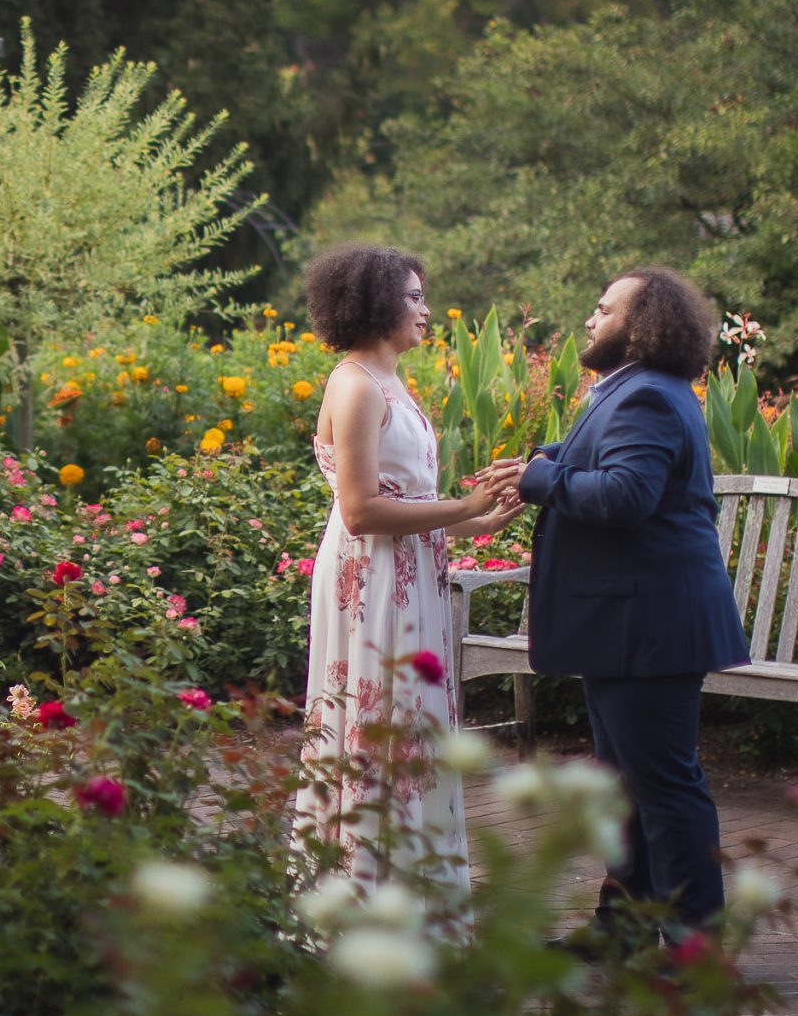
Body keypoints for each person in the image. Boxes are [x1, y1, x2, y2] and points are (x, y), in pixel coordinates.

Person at [515, 266, 750, 949]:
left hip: (650, 626)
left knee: (667, 793)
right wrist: (549, 457)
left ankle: (694, 948)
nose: (590, 320)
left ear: (641, 326)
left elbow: (624, 496)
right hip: (630, 624)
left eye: (603, 309)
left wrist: (543, 478)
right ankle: (621, 927)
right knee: (624, 788)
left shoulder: (646, 396)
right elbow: (607, 461)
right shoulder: (638, 392)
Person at [294, 243, 524, 905]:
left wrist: (480, 523)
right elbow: (363, 511)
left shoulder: (389, 381)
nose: (426, 310)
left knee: (411, 728)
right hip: (370, 583)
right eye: (415, 297)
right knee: (377, 727)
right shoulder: (355, 384)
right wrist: (464, 504)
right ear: (376, 303)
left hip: (407, 573)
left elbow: (409, 506)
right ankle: (363, 899)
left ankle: (411, 898)